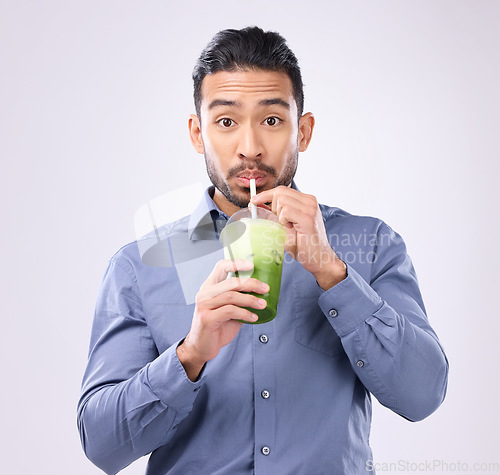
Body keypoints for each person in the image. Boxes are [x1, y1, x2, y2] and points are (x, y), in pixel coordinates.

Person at [77, 26, 448, 474]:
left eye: (272, 120)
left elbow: (423, 394)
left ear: (303, 131)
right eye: (226, 122)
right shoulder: (138, 266)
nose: (249, 148)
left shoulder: (370, 244)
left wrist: (332, 272)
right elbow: (101, 445)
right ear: (198, 134)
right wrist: (189, 354)